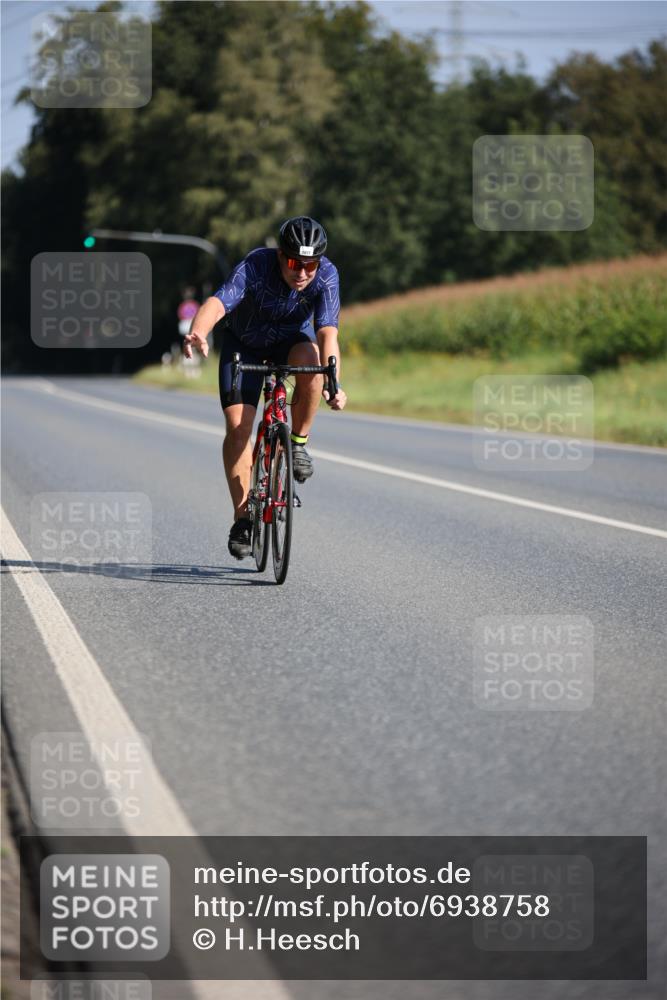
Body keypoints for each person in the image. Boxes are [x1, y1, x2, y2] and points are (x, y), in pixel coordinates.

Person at [183, 216, 347, 560]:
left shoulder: (327, 275)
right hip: (244, 346)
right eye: (293, 263)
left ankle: (298, 443)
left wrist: (335, 383)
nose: (301, 273)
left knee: (312, 360)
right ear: (280, 256)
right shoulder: (256, 265)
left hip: (291, 343)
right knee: (239, 428)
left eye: (310, 265)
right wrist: (199, 330)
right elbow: (218, 302)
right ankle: (242, 518)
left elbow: (327, 333)